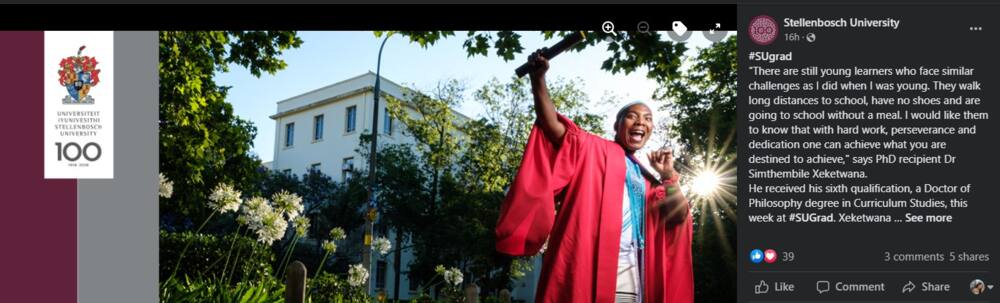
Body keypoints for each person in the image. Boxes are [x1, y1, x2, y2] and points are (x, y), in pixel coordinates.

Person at [496, 49, 694, 302]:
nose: (640, 122)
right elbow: (553, 126)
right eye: (631, 116)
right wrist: (538, 80)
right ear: (617, 125)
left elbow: (678, 217)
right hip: (586, 266)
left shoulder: (649, 180)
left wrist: (669, 175)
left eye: (647, 118)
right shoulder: (592, 148)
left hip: (635, 275)